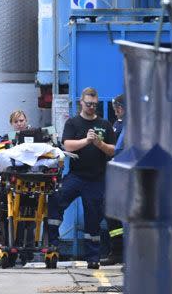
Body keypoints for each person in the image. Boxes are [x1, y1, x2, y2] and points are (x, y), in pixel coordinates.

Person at [47, 87, 116, 269]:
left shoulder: (105, 125)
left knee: (93, 218)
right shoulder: (73, 123)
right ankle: (53, 244)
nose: (92, 107)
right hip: (76, 176)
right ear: (81, 103)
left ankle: (93, 257)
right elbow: (67, 145)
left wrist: (98, 143)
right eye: (88, 104)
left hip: (96, 179)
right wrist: (86, 141)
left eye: (94, 104)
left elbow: (112, 150)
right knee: (55, 199)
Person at [101, 96, 127, 266]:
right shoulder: (117, 124)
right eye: (115, 106)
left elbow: (119, 149)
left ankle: (128, 253)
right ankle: (117, 250)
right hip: (116, 175)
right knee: (110, 211)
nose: (116, 109)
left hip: (126, 175)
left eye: (118, 106)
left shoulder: (130, 125)